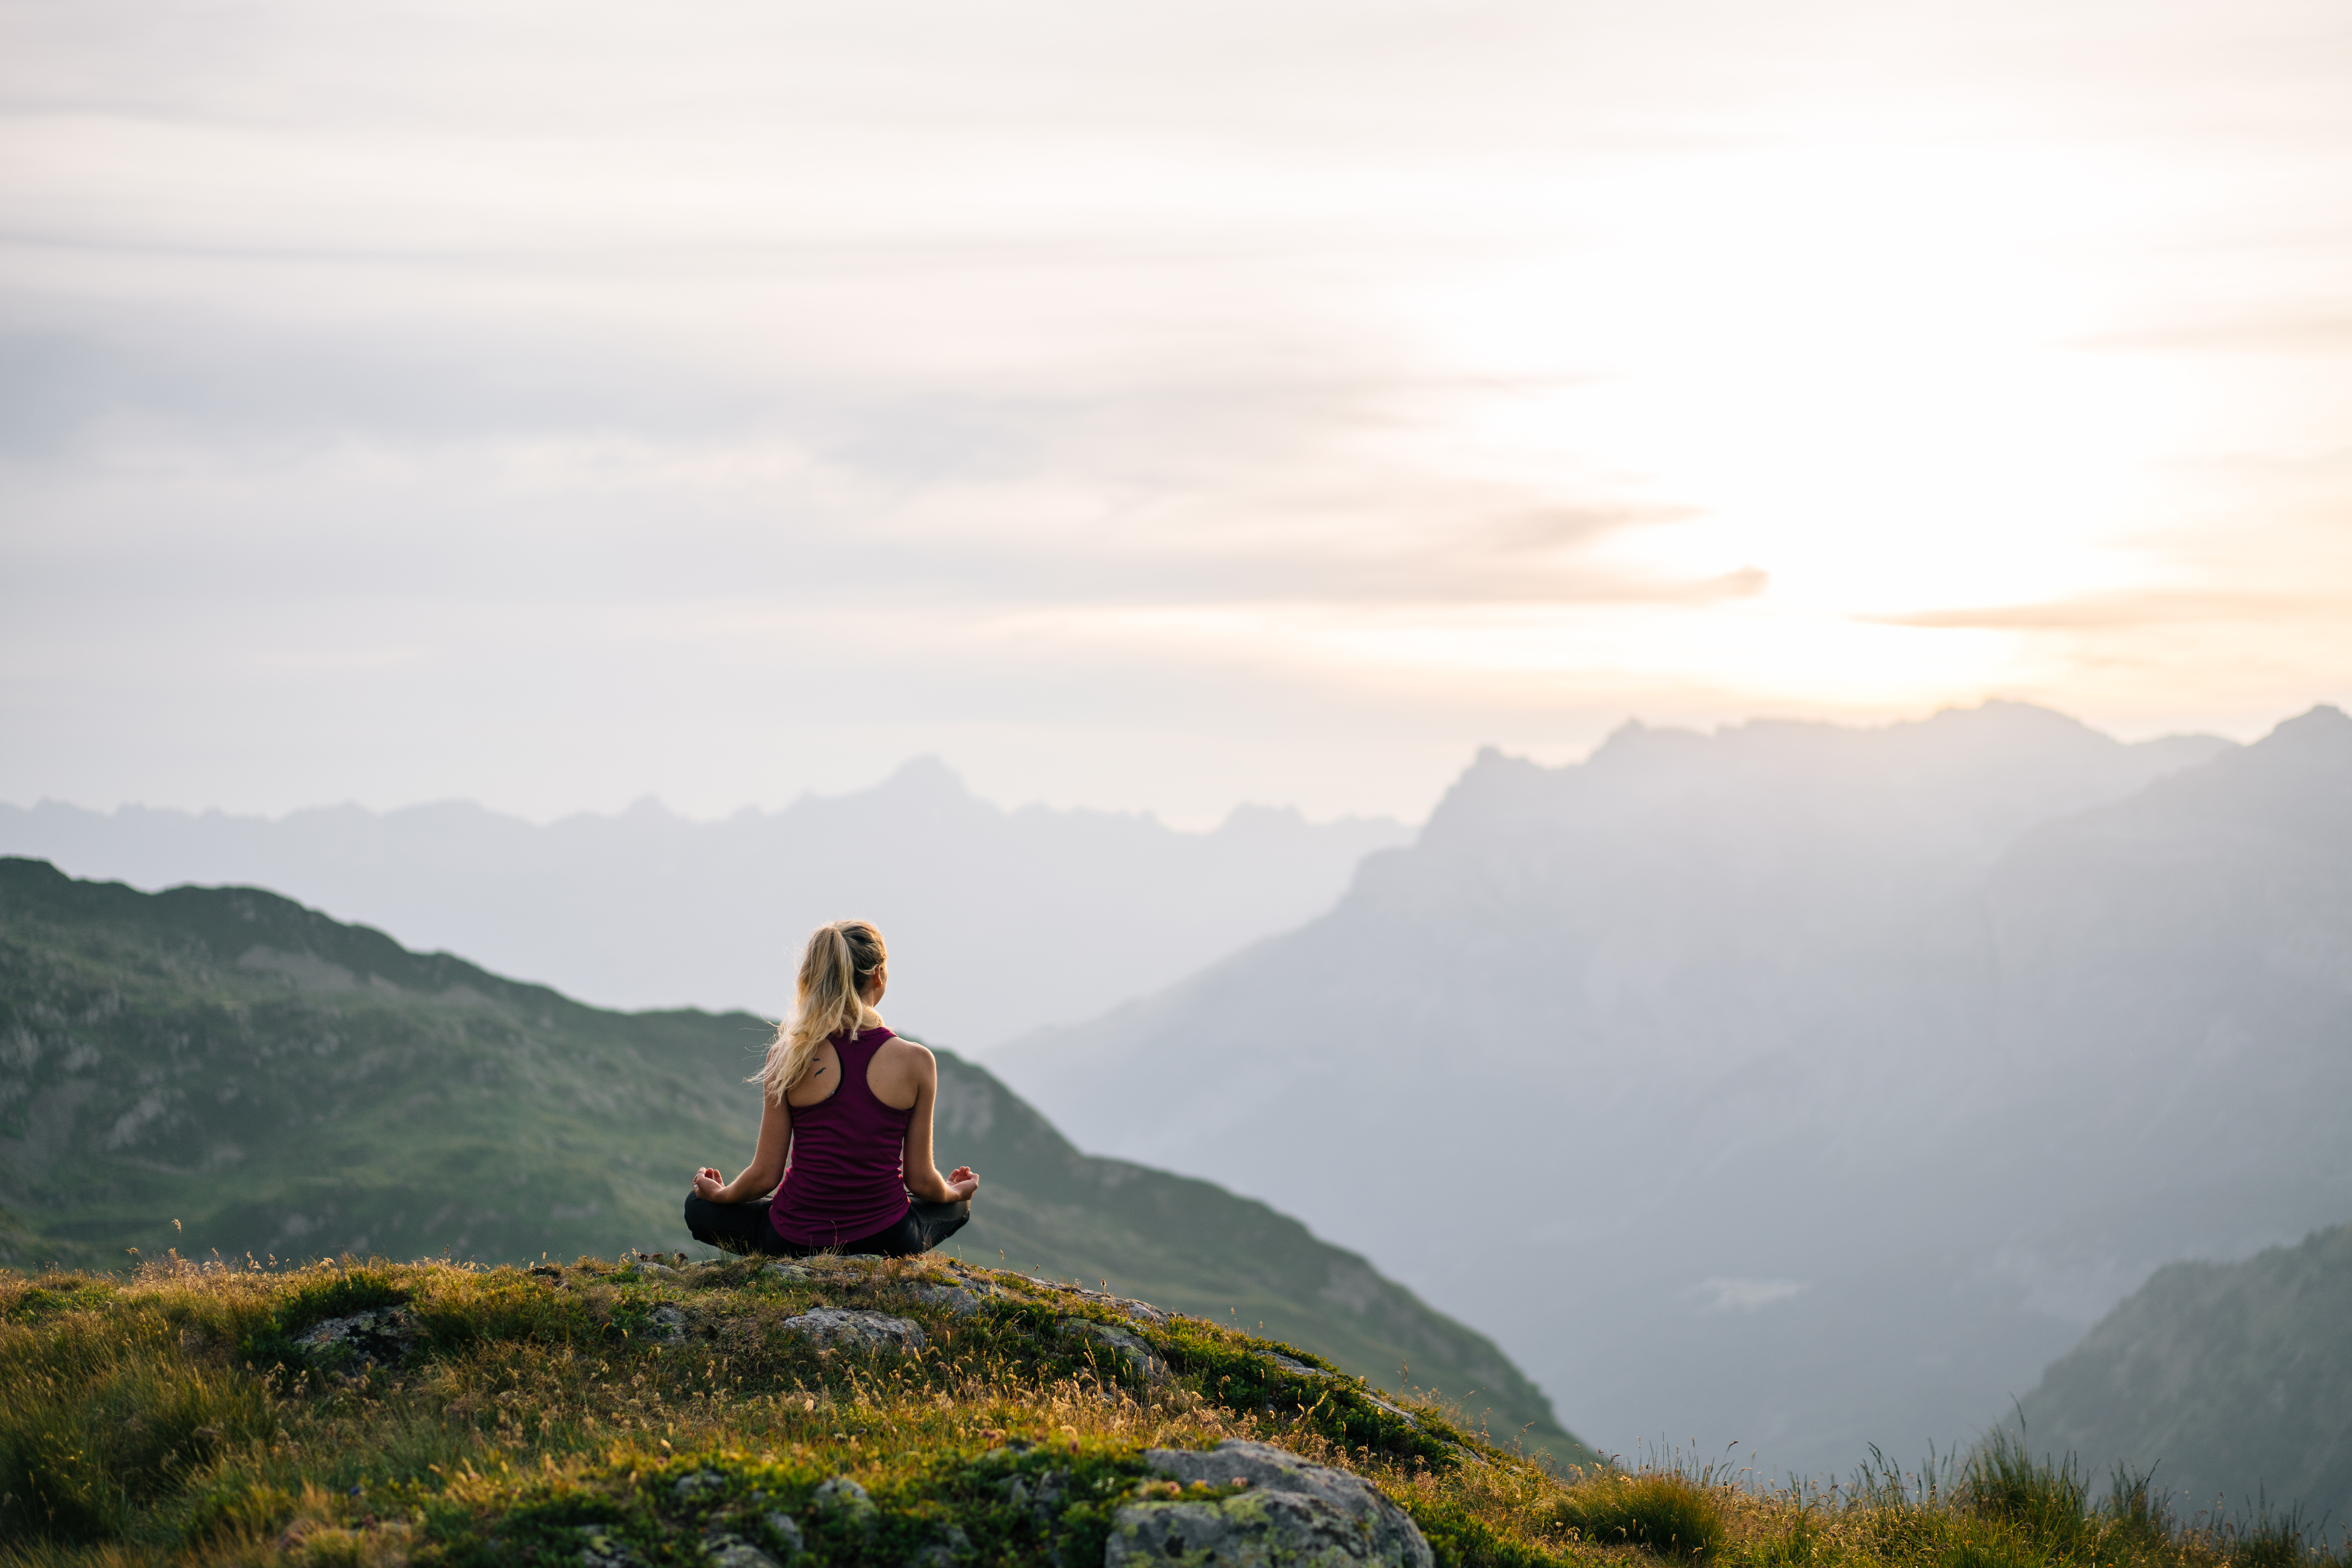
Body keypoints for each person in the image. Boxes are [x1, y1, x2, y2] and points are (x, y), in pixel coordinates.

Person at [683, 919, 979, 1257]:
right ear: (878, 975)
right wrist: (958, 1193)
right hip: (889, 1237)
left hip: (794, 1239)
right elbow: (922, 1181)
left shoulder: (789, 1056)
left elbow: (765, 1177)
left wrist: (721, 1195)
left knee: (697, 1206)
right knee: (956, 1207)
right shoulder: (918, 1061)